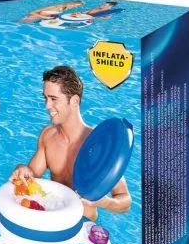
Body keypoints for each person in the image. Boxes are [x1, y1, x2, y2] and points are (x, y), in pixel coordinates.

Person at [9, 65, 131, 221]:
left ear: (74, 101)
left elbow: (125, 201)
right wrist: (21, 168)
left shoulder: (99, 143)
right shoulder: (48, 136)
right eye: (45, 98)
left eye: (53, 99)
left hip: (83, 224)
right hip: (54, 218)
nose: (47, 105)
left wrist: (105, 202)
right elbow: (30, 178)